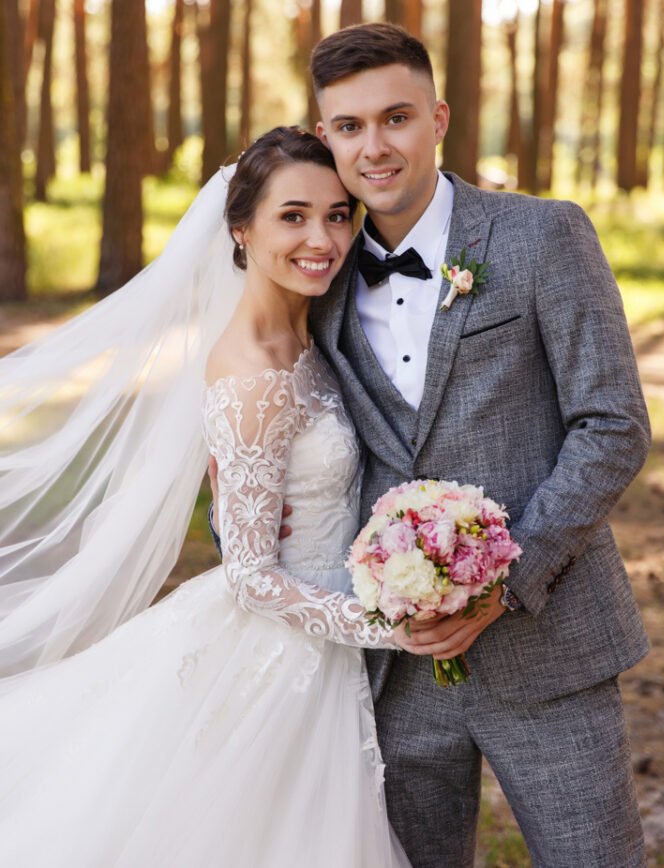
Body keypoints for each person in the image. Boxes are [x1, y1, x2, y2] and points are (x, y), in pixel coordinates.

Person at [212, 24, 650, 867]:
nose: (372, 147)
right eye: (347, 127)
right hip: (393, 671)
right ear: (325, 133)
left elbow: (612, 425)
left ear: (438, 118)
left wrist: (507, 579)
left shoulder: (541, 236)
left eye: (396, 118)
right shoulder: (321, 269)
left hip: (547, 644)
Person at [0, 128, 411, 867]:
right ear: (239, 228)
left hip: (319, 641)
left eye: (337, 214)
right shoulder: (252, 370)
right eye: (292, 216)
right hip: (281, 655)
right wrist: (396, 624)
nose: (323, 237)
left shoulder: (306, 333)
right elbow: (253, 578)